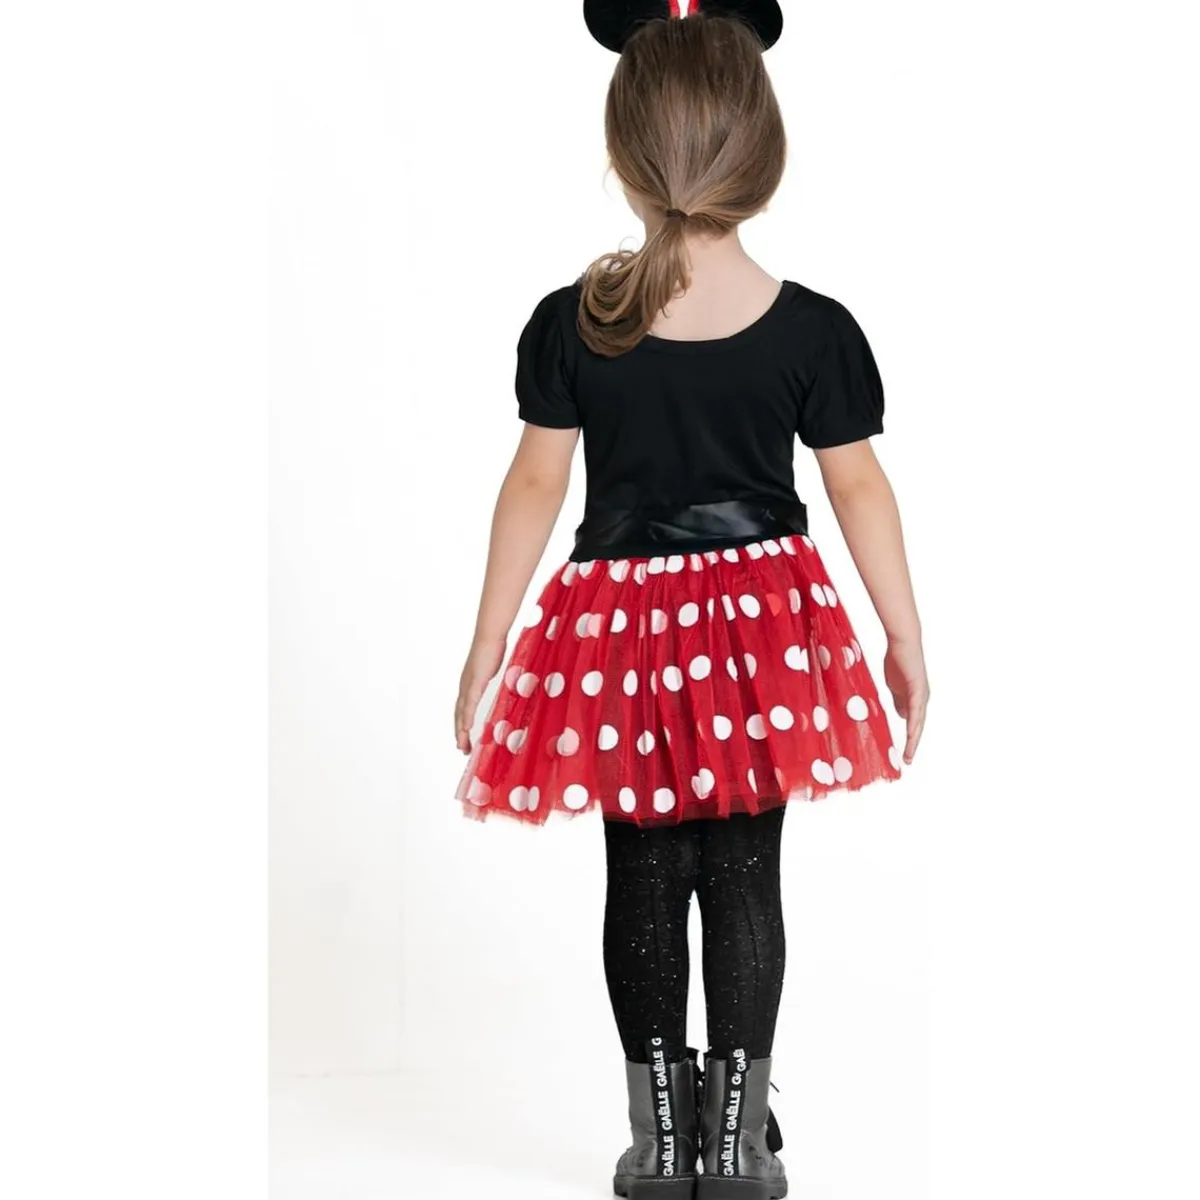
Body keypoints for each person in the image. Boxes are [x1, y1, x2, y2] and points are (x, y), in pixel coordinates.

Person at [453, 5, 928, 1197]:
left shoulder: (576, 324)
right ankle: (736, 1141)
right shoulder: (815, 331)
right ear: (764, 154)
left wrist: (490, 638)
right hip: (764, 635)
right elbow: (858, 486)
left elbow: (534, 483)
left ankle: (661, 1138)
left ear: (623, 155)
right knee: (746, 875)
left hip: (619, 636)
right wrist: (902, 634)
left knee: (645, 874)